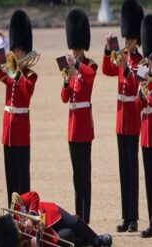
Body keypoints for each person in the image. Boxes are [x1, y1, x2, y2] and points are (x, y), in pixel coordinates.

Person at [101, 0, 144, 233]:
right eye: (126, 38)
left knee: (132, 169)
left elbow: (137, 82)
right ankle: (126, 217)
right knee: (122, 169)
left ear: (136, 36)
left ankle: (135, 217)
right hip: (120, 119)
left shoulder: (140, 60)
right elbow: (108, 70)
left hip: (133, 119)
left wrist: (127, 67)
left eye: (130, 38)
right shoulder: (123, 54)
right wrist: (109, 49)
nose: (127, 41)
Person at [0, 9, 37, 207]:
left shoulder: (30, 75)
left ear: (25, 51)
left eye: (20, 50)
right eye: (15, 49)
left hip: (20, 133)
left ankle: (23, 214)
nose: (17, 53)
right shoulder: (9, 72)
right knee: (10, 179)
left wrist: (16, 73)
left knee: (21, 179)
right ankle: (13, 212)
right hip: (7, 132)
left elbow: (26, 92)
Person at [60, 8, 97, 224]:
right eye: (73, 48)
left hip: (84, 127)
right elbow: (65, 98)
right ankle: (78, 218)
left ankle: (86, 218)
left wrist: (77, 65)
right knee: (76, 176)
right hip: (72, 128)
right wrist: (66, 80)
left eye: (77, 47)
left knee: (85, 176)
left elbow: (90, 76)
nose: (74, 51)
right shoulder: (72, 69)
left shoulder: (88, 65)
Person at [0, 191, 112, 247]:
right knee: (68, 235)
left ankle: (98, 240)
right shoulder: (20, 242)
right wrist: (36, 240)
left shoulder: (16, 207)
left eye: (16, 228)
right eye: (17, 234)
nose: (19, 230)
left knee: (75, 222)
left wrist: (32, 218)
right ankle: (84, 241)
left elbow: (34, 196)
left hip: (50, 213)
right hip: (49, 234)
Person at [136, 14, 152, 238]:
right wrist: (141, 95)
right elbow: (136, 105)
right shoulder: (143, 73)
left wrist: (149, 93)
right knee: (149, 181)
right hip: (146, 134)